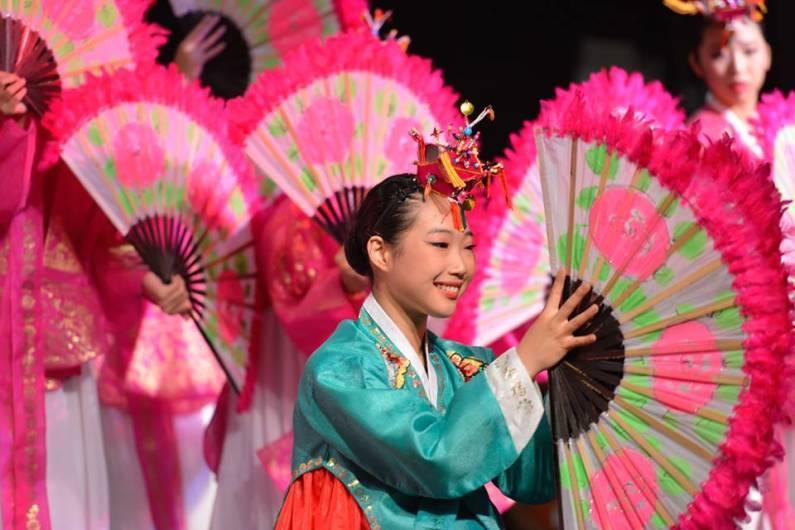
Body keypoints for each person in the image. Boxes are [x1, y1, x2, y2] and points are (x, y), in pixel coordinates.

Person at [274, 121, 600, 527]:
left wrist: (575, 372)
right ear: (381, 252)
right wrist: (524, 361)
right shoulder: (340, 370)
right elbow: (437, 459)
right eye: (440, 244)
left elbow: (536, 479)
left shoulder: (465, 367)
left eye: (468, 248)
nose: (460, 266)